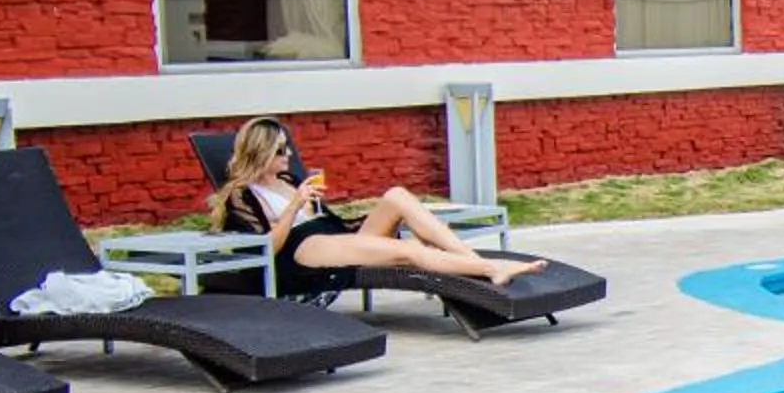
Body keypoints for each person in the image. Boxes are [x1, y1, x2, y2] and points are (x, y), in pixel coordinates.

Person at [210, 119, 546, 296]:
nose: (287, 155)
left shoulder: (287, 179)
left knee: (397, 195)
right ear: (260, 152)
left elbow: (325, 220)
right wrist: (293, 208)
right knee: (408, 252)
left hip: (330, 236)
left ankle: (476, 263)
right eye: (279, 150)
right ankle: (490, 268)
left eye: (286, 148)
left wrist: (310, 205)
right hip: (301, 251)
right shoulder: (242, 194)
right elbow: (266, 248)